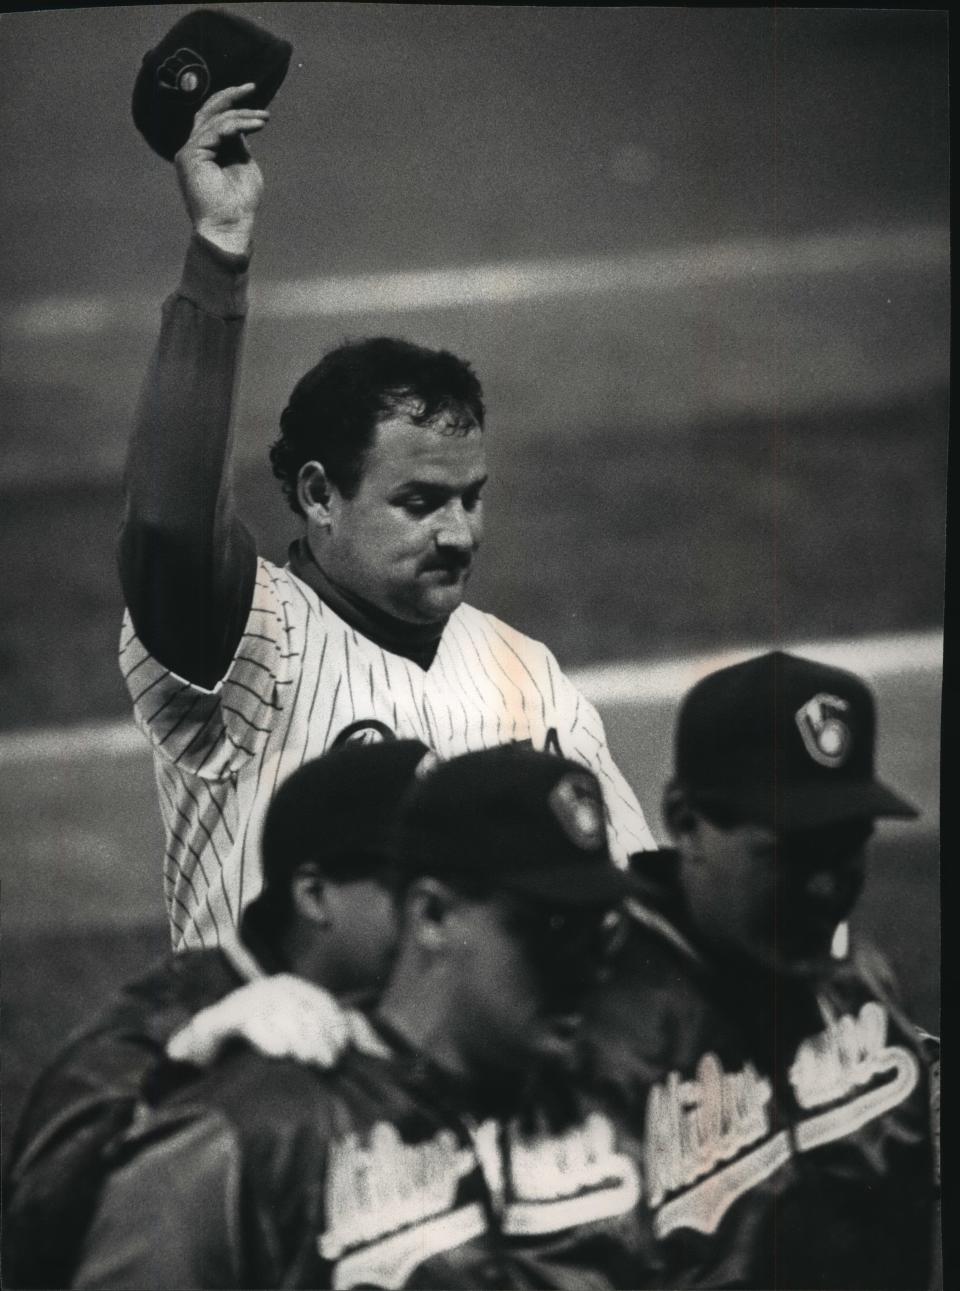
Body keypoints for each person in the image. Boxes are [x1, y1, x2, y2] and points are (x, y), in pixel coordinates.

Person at [118, 84, 656, 951]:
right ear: (321, 494)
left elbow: (632, 897)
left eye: (470, 497)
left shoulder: (529, 672)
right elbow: (168, 528)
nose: (459, 534)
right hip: (274, 1074)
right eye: (419, 502)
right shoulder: (248, 644)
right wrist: (219, 252)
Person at [72, 746, 647, 1289]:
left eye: (600, 929)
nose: (589, 969)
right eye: (550, 930)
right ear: (431, 915)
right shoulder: (253, 1130)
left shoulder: (608, 1092)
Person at [1, 740, 432, 1291]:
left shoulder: (413, 1010)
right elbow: (36, 1254)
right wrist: (176, 1079)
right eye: (412, 881)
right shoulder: (150, 1036)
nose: (442, 908)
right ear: (315, 895)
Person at [582, 650, 939, 1288]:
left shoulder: (854, 977)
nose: (828, 888)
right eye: (793, 855)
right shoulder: (601, 1031)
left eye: (847, 844)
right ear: (685, 822)